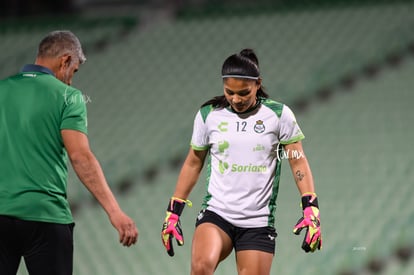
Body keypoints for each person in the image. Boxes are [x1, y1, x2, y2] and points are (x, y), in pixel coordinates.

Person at [161, 49, 322, 274]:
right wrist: (173, 211)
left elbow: (297, 161)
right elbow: (193, 163)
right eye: (229, 92)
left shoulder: (279, 115)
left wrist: (310, 208)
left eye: (244, 93)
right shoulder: (209, 115)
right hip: (217, 214)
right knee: (201, 268)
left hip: (257, 223)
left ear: (258, 84)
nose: (236, 99)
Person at [0, 30, 138, 275]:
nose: (72, 80)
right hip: (45, 216)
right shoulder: (69, 96)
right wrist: (115, 212)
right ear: (65, 60)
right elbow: (80, 157)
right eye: (73, 71)